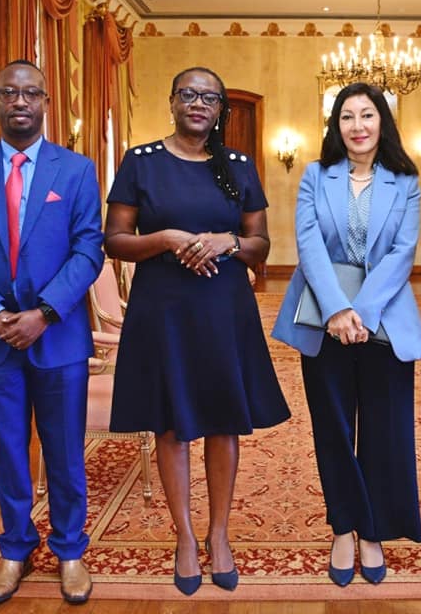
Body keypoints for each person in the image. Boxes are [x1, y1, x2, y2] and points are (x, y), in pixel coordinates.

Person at [103, 67, 290, 595]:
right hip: (162, 308)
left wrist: (228, 242)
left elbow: (261, 245)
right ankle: (185, 536)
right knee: (171, 423)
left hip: (222, 307)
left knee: (223, 421)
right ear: (172, 101)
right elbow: (114, 240)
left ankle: (219, 534)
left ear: (220, 109)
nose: (198, 103)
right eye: (188, 94)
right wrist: (165, 238)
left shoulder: (238, 165)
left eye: (210, 97)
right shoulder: (141, 161)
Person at [0, 60, 104, 604]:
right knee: (8, 449)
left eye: (31, 93)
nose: (20, 101)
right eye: (9, 92)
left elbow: (89, 249)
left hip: (57, 336)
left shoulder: (75, 170)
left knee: (65, 449)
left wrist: (45, 312)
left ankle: (70, 550)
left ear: (46, 103)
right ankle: (15, 549)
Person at [272, 82, 421, 586]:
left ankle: (373, 531)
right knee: (333, 428)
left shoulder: (405, 179)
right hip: (324, 318)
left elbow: (402, 252)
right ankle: (344, 527)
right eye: (347, 116)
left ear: (383, 121)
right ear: (335, 125)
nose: (357, 126)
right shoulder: (316, 175)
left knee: (384, 430)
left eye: (367, 115)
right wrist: (337, 309)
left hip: (384, 318)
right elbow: (309, 245)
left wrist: (361, 311)